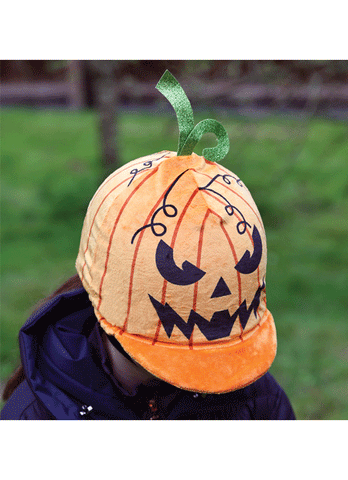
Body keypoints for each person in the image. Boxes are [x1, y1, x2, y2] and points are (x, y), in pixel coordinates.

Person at [1, 71, 295, 420]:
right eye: (179, 266)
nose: (216, 293)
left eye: (244, 262)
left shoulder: (258, 402)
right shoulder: (36, 417)